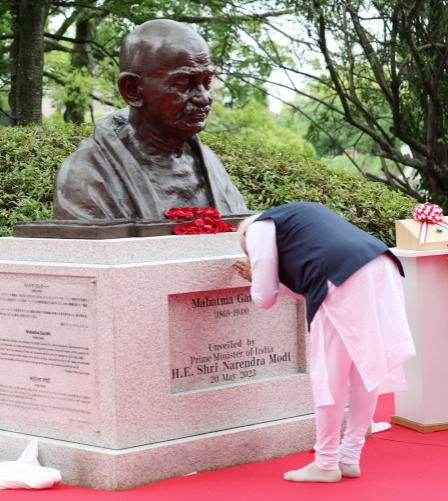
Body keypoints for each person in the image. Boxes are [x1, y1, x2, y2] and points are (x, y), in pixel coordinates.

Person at [233, 202, 416, 483]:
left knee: (328, 375)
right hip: (380, 264)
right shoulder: (299, 216)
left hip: (341, 276)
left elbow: (264, 298)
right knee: (366, 370)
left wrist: (256, 275)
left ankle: (326, 462)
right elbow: (313, 280)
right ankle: (349, 457)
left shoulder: (256, 230)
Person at [53, 19, 247, 220]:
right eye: (183, 83)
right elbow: (91, 248)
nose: (204, 97)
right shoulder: (87, 173)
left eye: (206, 82)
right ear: (132, 90)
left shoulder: (210, 165)